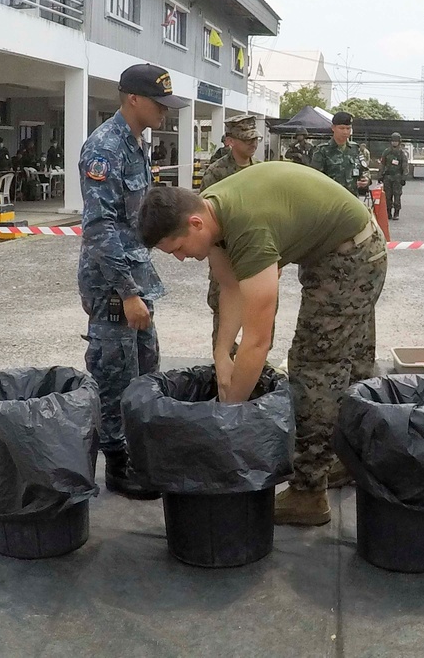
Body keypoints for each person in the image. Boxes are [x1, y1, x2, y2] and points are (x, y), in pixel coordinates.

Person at [137, 161, 387, 526]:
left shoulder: (247, 230)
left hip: (353, 257)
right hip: (336, 248)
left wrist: (229, 415)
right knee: (344, 362)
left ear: (194, 224)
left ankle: (309, 493)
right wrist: (221, 355)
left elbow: (257, 341)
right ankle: (344, 460)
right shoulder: (209, 212)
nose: (179, 258)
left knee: (316, 368)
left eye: (177, 248)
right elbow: (230, 287)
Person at [78, 63, 188, 497]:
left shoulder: (137, 143)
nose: (165, 111)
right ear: (133, 99)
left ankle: (139, 451)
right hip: (112, 286)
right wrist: (126, 292)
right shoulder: (104, 148)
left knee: (144, 367)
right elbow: (101, 227)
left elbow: (136, 218)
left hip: (135, 278)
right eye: (159, 103)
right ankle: (117, 464)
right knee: (113, 373)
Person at [200, 114, 262, 349]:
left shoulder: (260, 170)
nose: (253, 144)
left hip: (254, 254)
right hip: (225, 254)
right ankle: (223, 366)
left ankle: (253, 367)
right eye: (247, 139)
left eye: (255, 139)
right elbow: (205, 216)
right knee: (225, 314)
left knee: (256, 312)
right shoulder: (217, 172)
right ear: (230, 141)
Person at [311, 111, 370, 195]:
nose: (345, 132)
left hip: (351, 198)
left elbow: (365, 170)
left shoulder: (355, 149)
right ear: (333, 128)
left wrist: (366, 179)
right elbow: (315, 177)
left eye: (348, 128)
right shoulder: (322, 150)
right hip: (331, 199)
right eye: (342, 128)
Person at [379, 132, 409, 220]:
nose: (394, 143)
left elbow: (405, 165)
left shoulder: (401, 153)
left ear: (399, 142)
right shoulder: (387, 152)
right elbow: (382, 164)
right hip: (387, 177)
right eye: (393, 141)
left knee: (397, 195)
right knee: (387, 196)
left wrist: (404, 177)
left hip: (397, 177)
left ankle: (396, 212)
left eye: (396, 141)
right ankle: (388, 212)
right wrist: (380, 175)